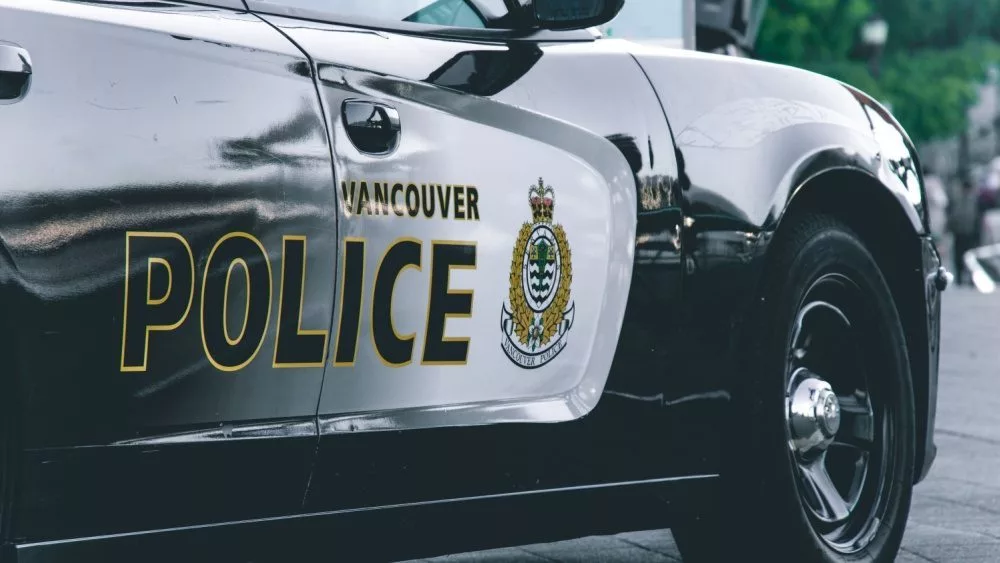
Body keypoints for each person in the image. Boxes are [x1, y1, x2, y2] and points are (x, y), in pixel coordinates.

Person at [948, 177, 983, 285]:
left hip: (969, 233)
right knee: (960, 256)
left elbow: (978, 218)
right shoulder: (958, 200)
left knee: (970, 256)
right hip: (961, 233)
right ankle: (960, 277)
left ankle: (971, 278)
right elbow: (952, 216)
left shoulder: (975, 201)